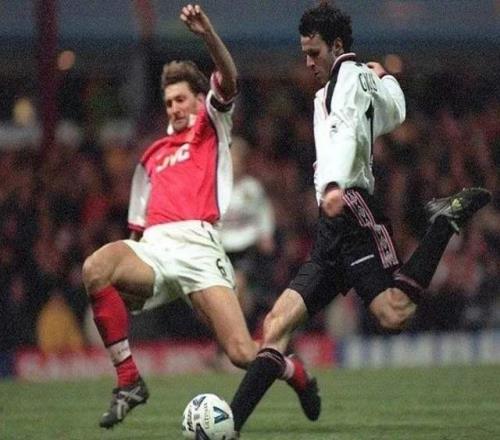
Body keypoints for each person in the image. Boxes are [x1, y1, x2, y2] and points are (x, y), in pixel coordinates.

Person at [229, 2, 491, 434]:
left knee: (394, 313)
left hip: (350, 208)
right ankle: (230, 425)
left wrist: (333, 184)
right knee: (275, 325)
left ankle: (442, 224)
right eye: (304, 53)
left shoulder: (345, 81)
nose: (308, 62)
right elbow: (396, 114)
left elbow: (346, 131)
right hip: (331, 225)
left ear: (337, 46)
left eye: (314, 52)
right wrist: (386, 78)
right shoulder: (358, 79)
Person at [82, 4, 318, 430]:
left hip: (200, 248)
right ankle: (129, 381)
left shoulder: (210, 126)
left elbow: (229, 77)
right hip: (154, 249)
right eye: (168, 102)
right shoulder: (150, 158)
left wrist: (206, 32)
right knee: (96, 268)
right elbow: (135, 231)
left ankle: (293, 370)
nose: (174, 108)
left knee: (242, 353)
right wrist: (125, 288)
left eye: (181, 99)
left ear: (197, 99)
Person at [218, 136, 276, 327]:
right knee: (230, 296)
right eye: (231, 158)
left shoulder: (252, 188)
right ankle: (239, 328)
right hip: (222, 248)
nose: (234, 164)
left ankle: (238, 330)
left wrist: (266, 235)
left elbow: (264, 213)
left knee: (239, 286)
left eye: (238, 159)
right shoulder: (216, 188)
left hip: (246, 246)